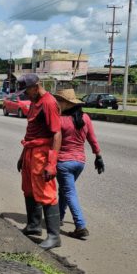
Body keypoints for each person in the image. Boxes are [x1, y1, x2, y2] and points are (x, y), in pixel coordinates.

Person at [16, 73, 63, 250]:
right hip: (30, 150)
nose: (25, 94)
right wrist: (22, 156)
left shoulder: (48, 103)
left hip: (42, 154)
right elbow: (31, 134)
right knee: (28, 189)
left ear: (36, 86)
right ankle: (33, 225)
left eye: (27, 90)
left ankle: (54, 236)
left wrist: (51, 163)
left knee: (46, 192)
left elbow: (56, 134)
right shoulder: (35, 102)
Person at [54, 89, 104, 239]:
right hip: (79, 163)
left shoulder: (60, 120)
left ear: (67, 104)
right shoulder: (85, 118)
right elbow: (92, 139)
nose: (57, 104)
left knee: (69, 192)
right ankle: (59, 218)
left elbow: (53, 141)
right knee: (64, 191)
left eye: (60, 101)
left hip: (63, 162)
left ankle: (80, 226)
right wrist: (98, 156)